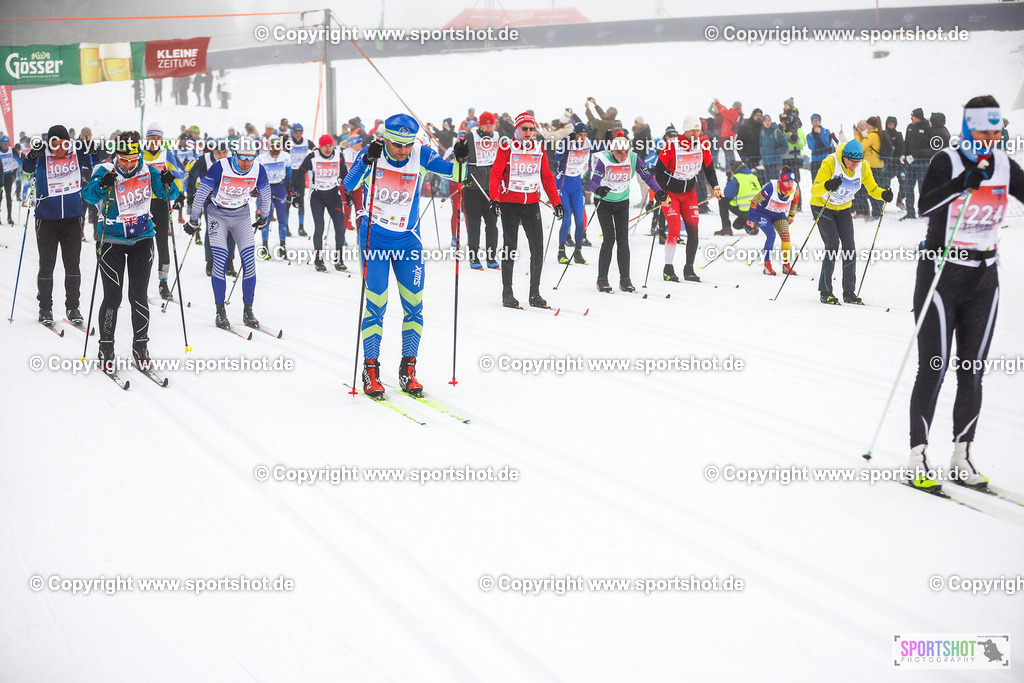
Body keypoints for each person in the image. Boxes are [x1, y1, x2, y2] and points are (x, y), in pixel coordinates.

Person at [906, 95, 1024, 493]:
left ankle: (961, 456)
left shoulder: (1006, 166)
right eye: (986, 129)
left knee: (972, 371)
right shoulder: (948, 161)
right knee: (933, 367)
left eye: (998, 129)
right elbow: (924, 207)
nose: (993, 136)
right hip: (941, 273)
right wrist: (961, 185)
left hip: (984, 277)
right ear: (970, 127)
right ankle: (918, 456)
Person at [343, 113, 467, 398]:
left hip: (408, 241)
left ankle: (408, 369)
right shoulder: (372, 152)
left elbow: (458, 177)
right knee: (376, 306)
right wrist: (365, 160)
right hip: (374, 239)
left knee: (414, 306)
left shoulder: (421, 154)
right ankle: (371, 369)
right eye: (396, 144)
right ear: (385, 138)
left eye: (407, 144)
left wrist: (461, 159)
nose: (402, 150)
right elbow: (349, 186)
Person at [82, 131, 179, 370]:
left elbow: (171, 195)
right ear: (116, 156)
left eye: (133, 159)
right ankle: (106, 347)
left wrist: (169, 182)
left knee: (138, 297)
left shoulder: (148, 170)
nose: (128, 164)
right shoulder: (104, 170)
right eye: (124, 159)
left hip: (142, 239)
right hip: (111, 241)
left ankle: (141, 346)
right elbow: (87, 195)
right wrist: (102, 186)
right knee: (113, 297)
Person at [187, 136, 271, 329]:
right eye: (242, 157)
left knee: (249, 261)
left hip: (241, 216)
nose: (246, 162)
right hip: (218, 215)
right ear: (235, 154)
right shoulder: (220, 167)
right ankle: (220, 311)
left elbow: (265, 196)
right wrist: (193, 220)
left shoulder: (258, 169)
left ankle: (248, 309)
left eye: (250, 158)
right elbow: (201, 194)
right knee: (221, 257)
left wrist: (264, 217)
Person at [489, 111, 564, 308]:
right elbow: (496, 172)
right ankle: (507, 292)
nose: (529, 132)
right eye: (525, 129)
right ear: (517, 129)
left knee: (537, 248)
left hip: (531, 203)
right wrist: (494, 198)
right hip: (510, 203)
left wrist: (556, 202)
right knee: (510, 247)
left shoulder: (538, 148)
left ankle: (535, 294)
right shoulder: (507, 147)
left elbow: (547, 177)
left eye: (532, 129)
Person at [21, 125, 93, 326]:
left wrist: (93, 148)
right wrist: (33, 155)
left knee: (72, 265)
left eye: (63, 144)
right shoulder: (42, 156)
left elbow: (94, 159)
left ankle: (73, 307)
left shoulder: (75, 152)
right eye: (54, 144)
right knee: (47, 265)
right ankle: (45, 307)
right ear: (49, 143)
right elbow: (26, 168)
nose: (59, 148)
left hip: (72, 218)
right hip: (46, 220)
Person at [811, 139, 891, 305]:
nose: (855, 165)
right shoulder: (831, 162)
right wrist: (827, 185)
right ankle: (825, 291)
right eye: (852, 162)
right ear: (844, 158)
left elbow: (873, 189)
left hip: (843, 207)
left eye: (858, 161)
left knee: (849, 246)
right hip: (822, 206)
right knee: (832, 245)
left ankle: (849, 292)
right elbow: (815, 189)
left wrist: (883, 194)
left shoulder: (863, 166)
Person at [588, 135, 665, 292]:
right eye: (619, 152)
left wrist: (659, 191)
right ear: (612, 151)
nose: (623, 155)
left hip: (622, 201)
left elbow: (647, 176)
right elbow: (593, 182)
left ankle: (625, 280)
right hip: (604, 202)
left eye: (625, 151)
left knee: (623, 239)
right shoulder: (604, 159)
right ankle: (602, 280)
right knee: (609, 239)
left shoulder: (634, 158)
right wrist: (599, 189)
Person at [653, 115, 722, 283]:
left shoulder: (702, 146)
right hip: (672, 194)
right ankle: (668, 268)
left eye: (698, 130)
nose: (696, 133)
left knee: (693, 230)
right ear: (685, 130)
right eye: (693, 130)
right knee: (675, 230)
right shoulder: (672, 145)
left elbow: (709, 169)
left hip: (689, 194)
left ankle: (689, 268)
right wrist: (661, 193)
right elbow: (659, 170)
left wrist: (715, 186)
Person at [142, 123, 185, 300]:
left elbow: (178, 174)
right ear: (147, 139)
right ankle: (141, 283)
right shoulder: (139, 154)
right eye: (152, 138)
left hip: (160, 202)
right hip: (141, 203)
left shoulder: (167, 154)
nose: (155, 142)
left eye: (158, 138)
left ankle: (163, 283)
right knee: (143, 244)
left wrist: (180, 194)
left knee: (162, 243)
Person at [300, 134, 349, 272]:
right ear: (320, 146)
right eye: (325, 146)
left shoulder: (339, 155)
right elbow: (299, 172)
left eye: (330, 145)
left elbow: (345, 174)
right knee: (319, 228)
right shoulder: (312, 157)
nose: (328, 149)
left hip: (334, 196)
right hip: (317, 196)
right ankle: (318, 259)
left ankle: (339, 260)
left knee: (340, 229)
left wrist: (348, 193)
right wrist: (296, 192)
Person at [187, 140, 235, 276]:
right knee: (212, 229)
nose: (222, 155)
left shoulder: (232, 160)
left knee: (231, 230)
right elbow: (191, 176)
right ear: (213, 152)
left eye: (224, 152)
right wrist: (191, 196)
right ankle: (211, 262)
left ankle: (229, 263)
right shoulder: (204, 160)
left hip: (229, 200)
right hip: (209, 199)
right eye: (218, 153)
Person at [462, 111, 501, 269]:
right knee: (474, 223)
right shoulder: (470, 136)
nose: (489, 128)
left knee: (492, 224)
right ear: (480, 124)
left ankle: (491, 258)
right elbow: (460, 155)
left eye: (491, 125)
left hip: (490, 188)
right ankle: (474, 257)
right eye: (486, 125)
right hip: (473, 187)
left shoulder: (497, 137)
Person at [746, 166, 800, 275]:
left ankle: (786, 265)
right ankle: (767, 265)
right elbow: (754, 202)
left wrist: (791, 216)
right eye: (787, 182)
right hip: (762, 213)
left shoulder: (795, 188)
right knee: (771, 235)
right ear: (781, 181)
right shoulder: (771, 187)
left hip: (778, 215)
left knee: (786, 236)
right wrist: (751, 220)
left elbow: (795, 202)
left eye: (791, 181)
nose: (790, 184)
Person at [555, 121, 591, 264]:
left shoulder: (588, 142)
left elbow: (602, 150)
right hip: (563, 183)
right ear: (574, 134)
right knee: (566, 220)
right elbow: (558, 157)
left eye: (584, 134)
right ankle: (561, 251)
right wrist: (567, 144)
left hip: (576, 184)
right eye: (579, 135)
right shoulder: (566, 142)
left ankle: (578, 252)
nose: (582, 138)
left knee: (580, 221)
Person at [256, 134, 291, 259]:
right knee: (266, 218)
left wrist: (290, 186)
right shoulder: (261, 158)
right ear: (269, 146)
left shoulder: (285, 156)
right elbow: (256, 174)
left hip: (280, 188)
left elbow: (289, 172)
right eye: (273, 146)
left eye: (278, 146)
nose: (276, 149)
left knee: (282, 219)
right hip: (267, 189)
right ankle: (264, 247)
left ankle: (282, 248)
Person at [718, 161, 761, 236]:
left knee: (722, 201)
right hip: (758, 211)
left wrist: (729, 180)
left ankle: (726, 228)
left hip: (745, 210)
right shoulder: (753, 177)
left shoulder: (736, 178)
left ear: (734, 171)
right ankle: (753, 224)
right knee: (736, 225)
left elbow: (728, 195)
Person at [287, 123, 313, 237]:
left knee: (300, 201)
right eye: (296, 132)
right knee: (288, 200)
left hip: (301, 173)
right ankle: (286, 227)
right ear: (293, 132)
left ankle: (301, 227)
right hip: (290, 173)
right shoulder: (288, 142)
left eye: (300, 132)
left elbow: (317, 150)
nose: (298, 134)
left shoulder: (307, 142)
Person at [340, 133, 364, 232]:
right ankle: (342, 236)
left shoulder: (361, 154)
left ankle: (359, 236)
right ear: (354, 143)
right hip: (345, 186)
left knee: (359, 210)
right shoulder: (344, 153)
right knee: (346, 210)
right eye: (360, 143)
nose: (361, 145)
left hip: (357, 186)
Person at [806, 114, 838, 182]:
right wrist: (814, 135)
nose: (815, 122)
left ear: (820, 121)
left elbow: (827, 144)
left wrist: (820, 134)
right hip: (815, 161)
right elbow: (812, 147)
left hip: (825, 159)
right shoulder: (809, 135)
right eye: (813, 121)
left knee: (827, 180)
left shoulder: (826, 131)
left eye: (817, 120)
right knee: (816, 181)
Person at [759, 114, 788, 181]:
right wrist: (763, 156)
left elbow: (785, 146)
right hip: (766, 163)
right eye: (765, 121)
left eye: (768, 121)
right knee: (768, 184)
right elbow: (761, 146)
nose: (767, 123)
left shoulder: (777, 131)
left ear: (771, 121)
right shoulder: (762, 132)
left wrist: (776, 152)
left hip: (776, 163)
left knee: (775, 183)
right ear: (763, 123)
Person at [0, 134, 20, 224]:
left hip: (8, 176)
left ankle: (9, 218)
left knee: (8, 197)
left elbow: (19, 161)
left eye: (7, 143)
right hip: (0, 177)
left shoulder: (12, 150)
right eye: (4, 143)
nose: (5, 145)